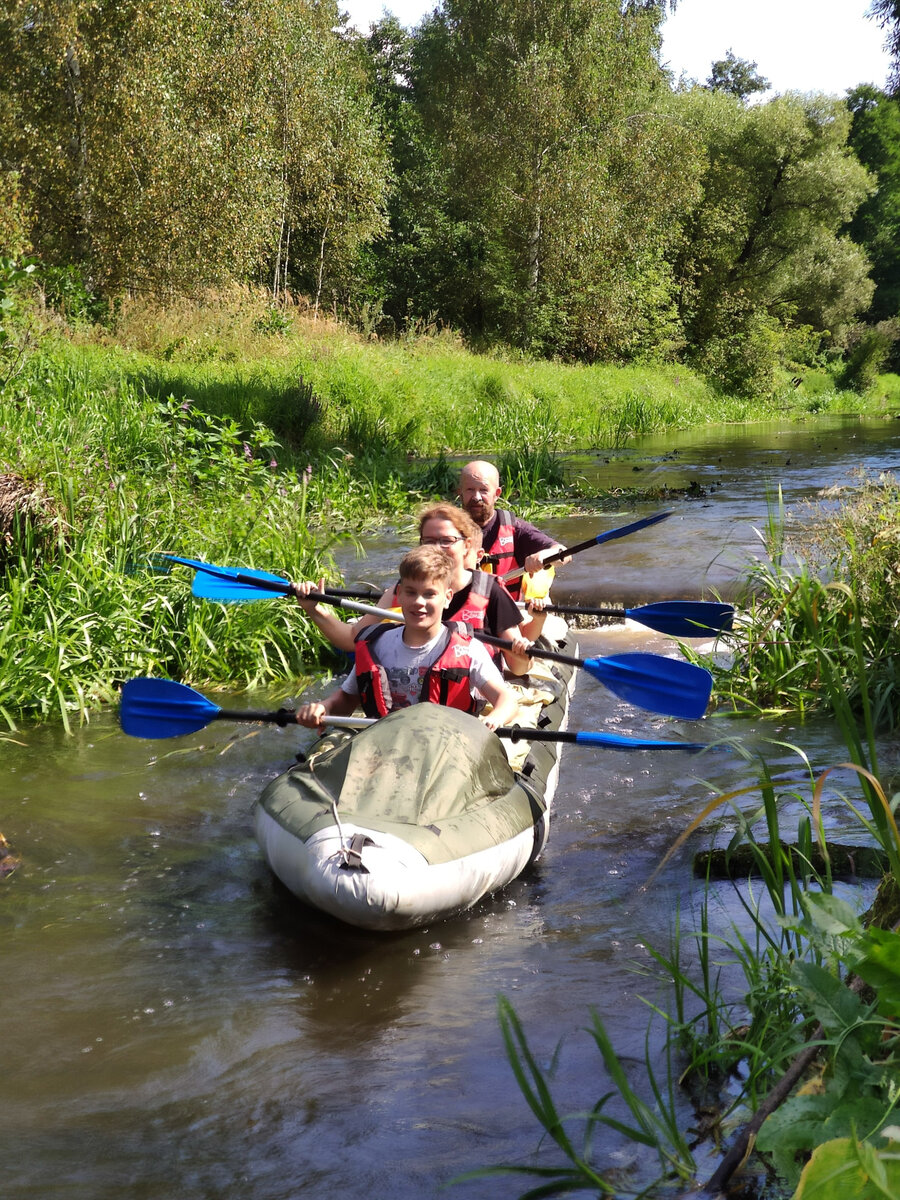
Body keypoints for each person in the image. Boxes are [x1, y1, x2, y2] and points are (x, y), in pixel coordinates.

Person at [292, 503, 538, 676]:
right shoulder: (402, 590)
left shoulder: (491, 591)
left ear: (467, 546)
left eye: (447, 541)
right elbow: (351, 639)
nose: (437, 548)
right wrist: (315, 610)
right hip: (413, 694)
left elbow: (517, 668)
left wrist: (522, 654)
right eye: (429, 541)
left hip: (471, 703)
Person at [294, 545, 520, 732]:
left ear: (447, 597)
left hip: (447, 748)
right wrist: (322, 708)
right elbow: (344, 701)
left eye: (430, 594)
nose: (419, 602)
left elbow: (506, 699)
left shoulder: (469, 650)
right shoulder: (377, 645)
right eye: (411, 592)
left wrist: (497, 717)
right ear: (399, 594)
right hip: (387, 743)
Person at [457, 459, 569, 601]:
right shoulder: (445, 530)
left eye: (484, 490)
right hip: (459, 612)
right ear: (460, 492)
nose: (476, 497)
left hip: (505, 614)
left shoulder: (515, 528)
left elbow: (564, 554)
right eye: (470, 490)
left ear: (497, 494)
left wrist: (544, 555)